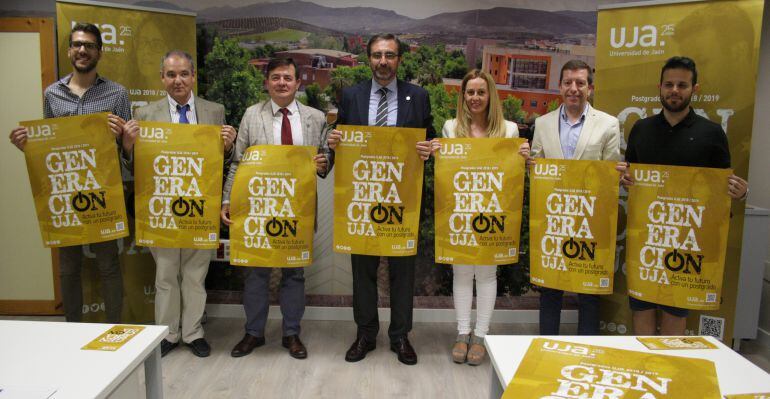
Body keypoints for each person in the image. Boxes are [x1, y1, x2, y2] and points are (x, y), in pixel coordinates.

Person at [9, 23, 132, 323]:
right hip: (64, 194)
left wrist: (123, 137)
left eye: (89, 45)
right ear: (69, 50)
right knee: (68, 267)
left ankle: (114, 330)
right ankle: (72, 331)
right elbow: (48, 148)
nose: (82, 50)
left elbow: (130, 152)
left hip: (103, 194)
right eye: (77, 44)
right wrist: (26, 147)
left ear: (99, 52)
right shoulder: (52, 94)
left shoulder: (117, 93)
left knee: (108, 265)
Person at [327, 33, 435, 365]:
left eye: (389, 55)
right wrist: (332, 143)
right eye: (377, 55)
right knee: (364, 271)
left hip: (402, 199)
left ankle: (400, 336)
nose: (383, 61)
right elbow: (341, 139)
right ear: (369, 59)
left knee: (403, 271)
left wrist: (429, 148)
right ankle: (365, 334)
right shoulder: (352, 95)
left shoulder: (418, 97)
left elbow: (429, 137)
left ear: (399, 59)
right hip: (362, 198)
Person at [619, 56, 748, 335]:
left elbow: (721, 189)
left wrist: (739, 192)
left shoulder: (712, 133)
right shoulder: (641, 129)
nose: (674, 90)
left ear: (694, 89)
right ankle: (645, 370)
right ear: (660, 87)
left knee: (674, 314)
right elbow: (630, 175)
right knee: (641, 308)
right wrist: (625, 178)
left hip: (686, 242)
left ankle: (668, 372)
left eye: (682, 85)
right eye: (669, 84)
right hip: (647, 240)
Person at [122, 50, 237, 357]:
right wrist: (128, 145)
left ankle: (194, 332)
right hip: (162, 209)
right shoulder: (145, 114)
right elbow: (135, 164)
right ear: (162, 78)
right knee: (165, 274)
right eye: (171, 75)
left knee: (196, 275)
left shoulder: (215, 111)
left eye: (184, 74)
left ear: (193, 76)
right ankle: (168, 334)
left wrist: (228, 146)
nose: (178, 80)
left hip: (200, 206)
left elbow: (221, 162)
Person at [221, 58, 332, 359]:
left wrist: (323, 163)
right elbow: (237, 162)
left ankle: (291, 334)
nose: (282, 82)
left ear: (298, 83)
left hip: (297, 207)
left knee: (294, 274)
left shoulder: (316, 118)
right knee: (256, 273)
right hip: (258, 206)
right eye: (275, 77)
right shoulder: (251, 115)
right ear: (267, 82)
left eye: (288, 78)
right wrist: (227, 199)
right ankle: (253, 333)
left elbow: (324, 161)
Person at [426, 70, 529, 365]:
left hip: (492, 211)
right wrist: (436, 152)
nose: (474, 98)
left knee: (485, 274)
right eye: (469, 92)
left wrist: (522, 154)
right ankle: (462, 333)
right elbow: (448, 167)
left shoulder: (509, 130)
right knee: (461, 273)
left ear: (490, 96)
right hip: (459, 209)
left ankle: (480, 336)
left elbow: (513, 169)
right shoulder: (450, 127)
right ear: (463, 97)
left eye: (480, 92)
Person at [529, 59, 622, 336]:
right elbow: (537, 170)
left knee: (589, 291)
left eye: (580, 83)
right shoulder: (542, 124)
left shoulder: (608, 124)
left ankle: (588, 348)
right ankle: (546, 343)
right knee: (550, 287)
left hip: (590, 219)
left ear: (590, 88)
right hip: (553, 217)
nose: (574, 89)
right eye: (568, 83)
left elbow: (610, 177)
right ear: (559, 87)